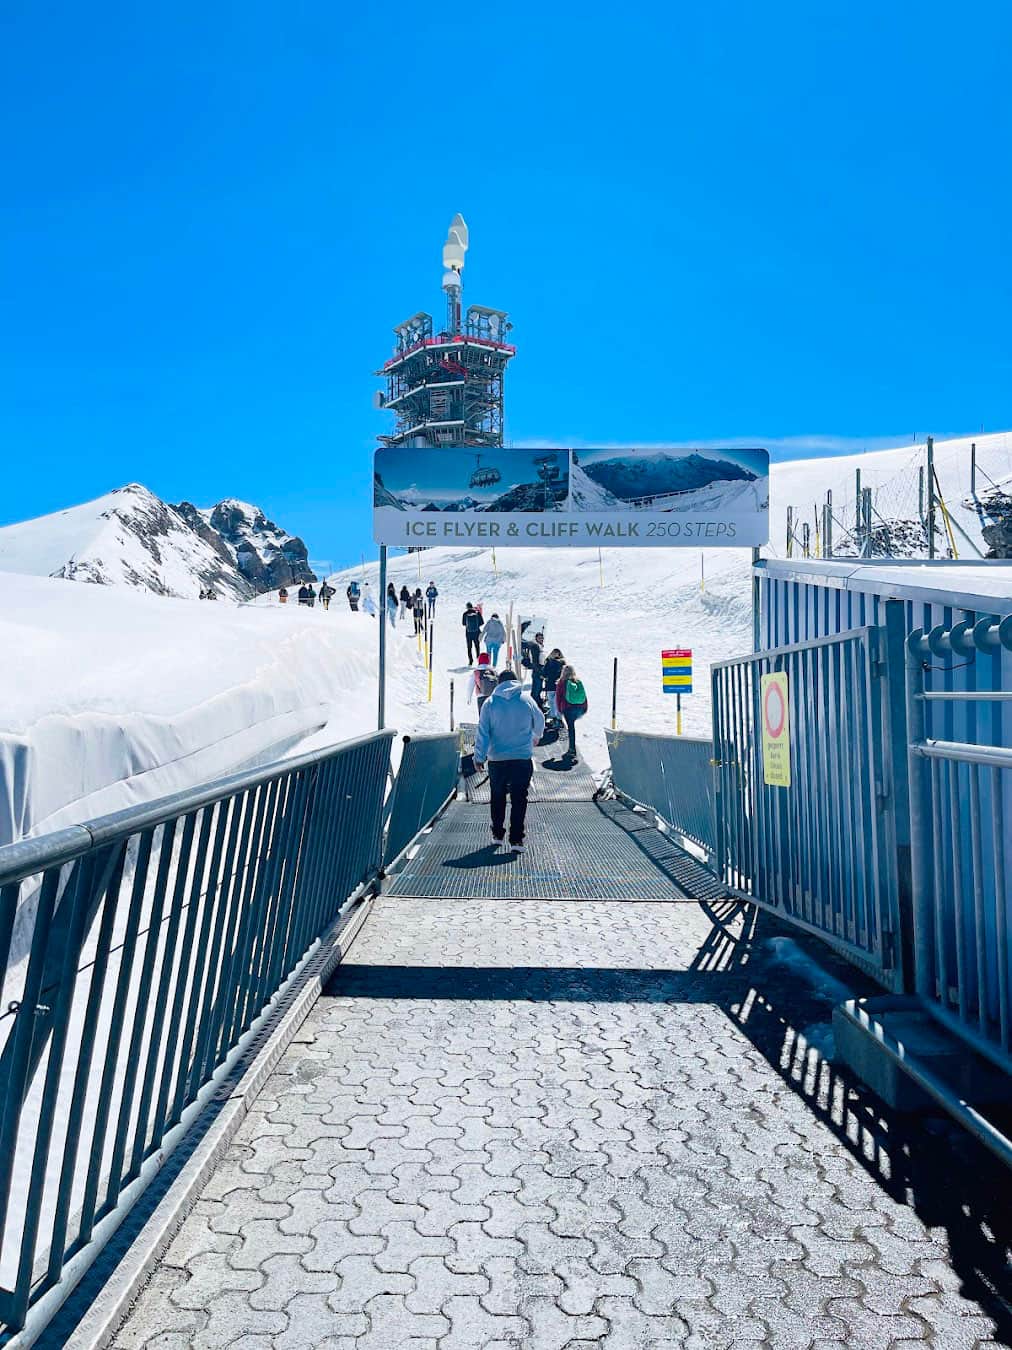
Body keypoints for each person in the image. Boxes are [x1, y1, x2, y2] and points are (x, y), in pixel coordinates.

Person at [474, 670, 545, 853]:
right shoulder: (526, 700)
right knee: (519, 798)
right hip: (521, 757)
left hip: (497, 759)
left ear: (498, 682)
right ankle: (516, 840)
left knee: (497, 796)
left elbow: (483, 732)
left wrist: (479, 757)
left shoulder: (490, 703)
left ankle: (497, 835)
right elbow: (540, 720)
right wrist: (536, 736)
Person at [554, 663, 588, 761]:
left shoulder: (561, 682)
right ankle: (572, 748)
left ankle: (572, 749)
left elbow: (558, 698)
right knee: (572, 726)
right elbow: (584, 696)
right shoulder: (578, 681)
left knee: (571, 728)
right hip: (580, 708)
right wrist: (585, 708)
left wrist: (559, 710)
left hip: (568, 708)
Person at [541, 648, 565, 717]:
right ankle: (554, 716)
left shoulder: (560, 663)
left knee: (554, 702)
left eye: (557, 653)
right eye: (554, 653)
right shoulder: (549, 662)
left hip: (555, 684)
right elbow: (544, 672)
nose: (555, 654)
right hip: (552, 684)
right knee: (552, 702)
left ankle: (556, 717)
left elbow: (544, 672)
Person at [530, 631, 546, 705]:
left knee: (538, 689)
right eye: (539, 638)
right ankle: (535, 704)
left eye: (542, 638)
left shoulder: (540, 646)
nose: (541, 639)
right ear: (536, 638)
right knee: (536, 690)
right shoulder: (535, 646)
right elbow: (535, 661)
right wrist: (539, 672)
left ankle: (538, 703)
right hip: (537, 672)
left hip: (540, 670)